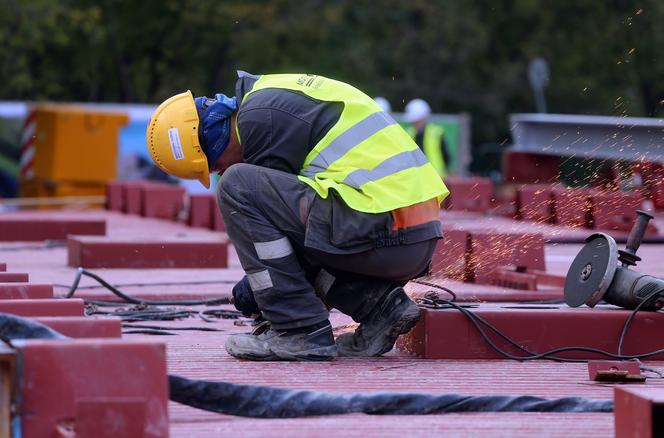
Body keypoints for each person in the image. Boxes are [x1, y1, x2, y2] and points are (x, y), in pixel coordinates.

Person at [146, 71, 449, 361]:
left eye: (212, 167)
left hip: (382, 227)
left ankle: (300, 331)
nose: (218, 172)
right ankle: (381, 308)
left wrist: (266, 295)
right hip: (409, 235)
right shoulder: (269, 100)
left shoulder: (259, 121)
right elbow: (296, 242)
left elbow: (282, 251)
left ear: (213, 139)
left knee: (236, 186)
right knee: (286, 234)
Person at [404, 98, 451, 178]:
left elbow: (446, 157)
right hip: (416, 179)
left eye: (417, 120)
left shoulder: (436, 133)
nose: (415, 123)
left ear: (424, 118)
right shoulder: (408, 134)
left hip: (436, 179)